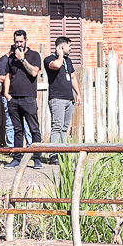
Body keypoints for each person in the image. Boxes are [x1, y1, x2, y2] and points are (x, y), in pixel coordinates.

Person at [0, 29, 42, 156]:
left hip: (28, 98)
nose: (19, 44)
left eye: (21, 41)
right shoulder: (11, 57)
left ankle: (37, 157)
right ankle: (17, 157)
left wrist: (22, 59)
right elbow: (8, 75)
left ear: (26, 41)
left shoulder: (34, 55)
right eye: (16, 42)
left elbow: (34, 72)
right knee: (17, 130)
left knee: (34, 129)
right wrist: (6, 93)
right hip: (13, 98)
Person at [42, 34, 76, 165]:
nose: (71, 48)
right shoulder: (49, 59)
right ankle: (54, 154)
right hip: (57, 98)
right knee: (57, 126)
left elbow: (72, 77)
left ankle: (63, 152)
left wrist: (77, 94)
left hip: (68, 98)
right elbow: (56, 65)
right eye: (69, 46)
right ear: (62, 47)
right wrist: (60, 55)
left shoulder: (68, 61)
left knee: (64, 127)